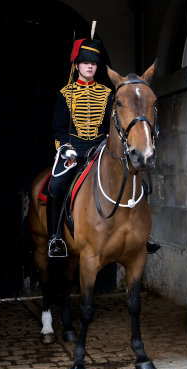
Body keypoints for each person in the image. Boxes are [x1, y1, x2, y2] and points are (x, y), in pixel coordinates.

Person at [47, 27, 160, 257]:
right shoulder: (65, 93)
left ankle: (142, 234)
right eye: (85, 63)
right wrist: (65, 148)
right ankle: (55, 238)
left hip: (101, 146)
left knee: (141, 184)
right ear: (77, 65)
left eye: (94, 64)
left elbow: (116, 124)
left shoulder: (108, 93)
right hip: (72, 149)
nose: (90, 67)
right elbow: (58, 129)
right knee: (56, 187)